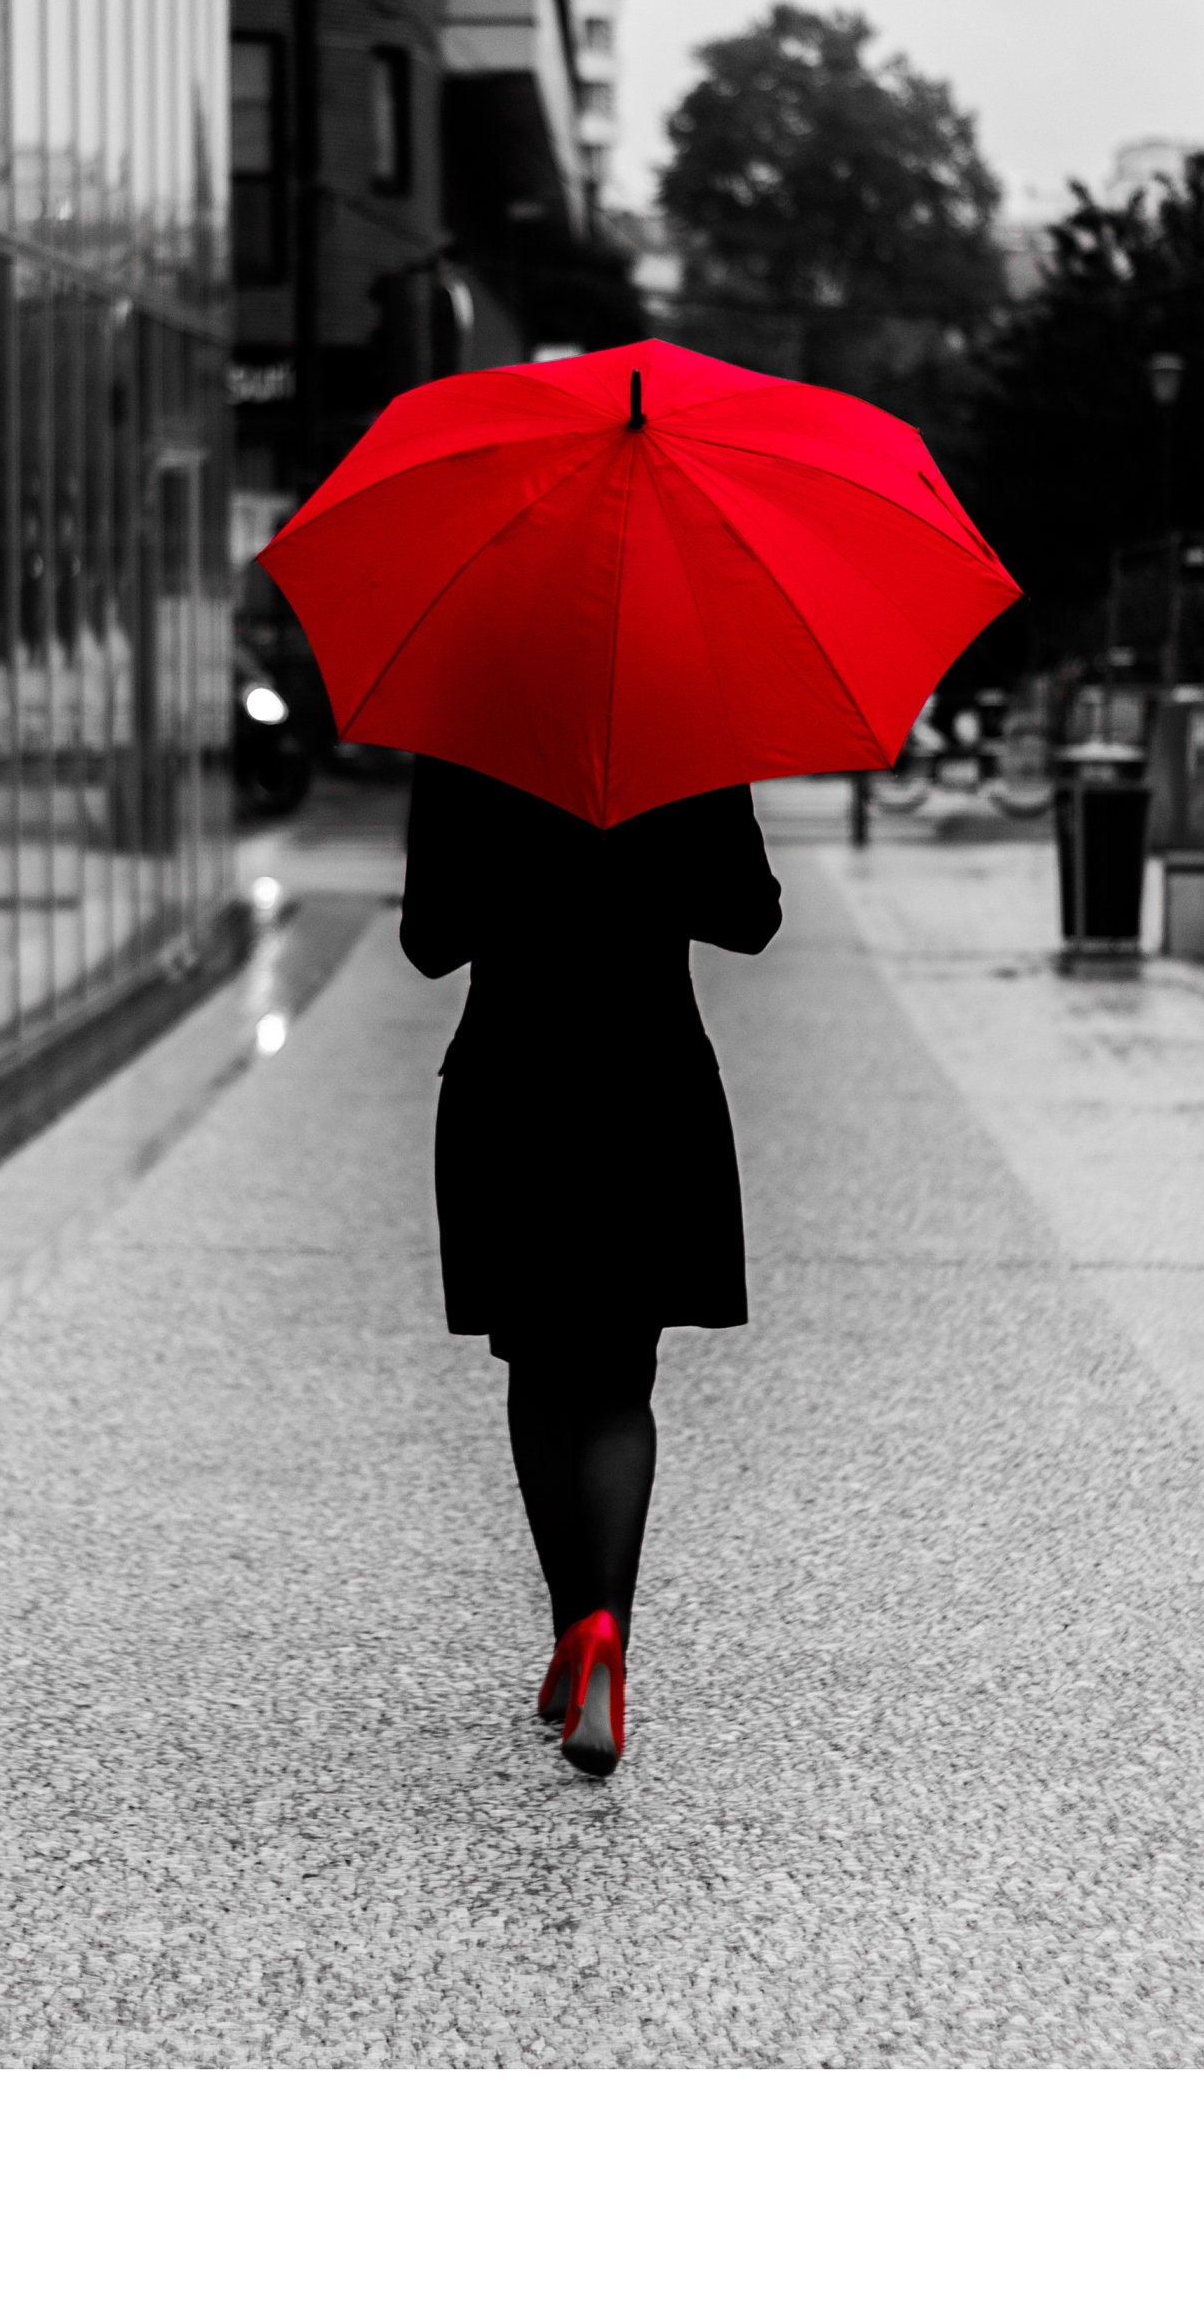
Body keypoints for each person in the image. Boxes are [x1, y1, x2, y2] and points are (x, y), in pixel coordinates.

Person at [398, 754, 782, 1776]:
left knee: (538, 1367)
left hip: (511, 1082)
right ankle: (606, 1625)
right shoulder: (689, 731)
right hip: (651, 1080)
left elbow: (428, 941)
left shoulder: (470, 738)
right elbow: (751, 916)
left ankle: (576, 1629)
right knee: (621, 1380)